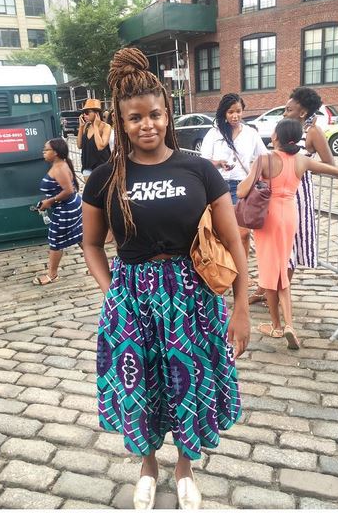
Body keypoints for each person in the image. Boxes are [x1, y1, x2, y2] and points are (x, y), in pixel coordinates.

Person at [82, 48, 250, 510]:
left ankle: (185, 468)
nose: (147, 125)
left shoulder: (197, 169)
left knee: (189, 383)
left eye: (154, 114)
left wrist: (240, 308)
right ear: (121, 122)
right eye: (135, 118)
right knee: (141, 387)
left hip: (192, 297)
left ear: (167, 113)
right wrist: (112, 292)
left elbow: (233, 242)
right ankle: (148, 466)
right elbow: (91, 244)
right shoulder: (104, 178)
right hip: (132, 299)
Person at [237, 119, 338, 348]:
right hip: (289, 216)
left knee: (269, 274)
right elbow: (331, 168)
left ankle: (277, 326)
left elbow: (241, 191)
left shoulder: (264, 159)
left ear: (276, 137)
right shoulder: (302, 160)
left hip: (268, 217)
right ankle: (289, 324)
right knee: (282, 270)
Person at [250, 86, 336, 305]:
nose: (284, 113)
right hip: (274, 195)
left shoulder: (313, 132)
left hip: (297, 197)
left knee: (291, 247)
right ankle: (264, 288)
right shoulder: (284, 130)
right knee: (272, 246)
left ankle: (280, 293)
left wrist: (305, 165)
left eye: (289, 110)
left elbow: (329, 163)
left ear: (303, 112)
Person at [200, 93, 268, 259]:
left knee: (243, 233)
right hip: (218, 187)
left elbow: (264, 157)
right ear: (224, 113)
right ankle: (226, 265)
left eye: (238, 111)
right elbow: (203, 161)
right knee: (222, 233)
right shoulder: (215, 133)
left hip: (242, 188)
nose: (235, 116)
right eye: (230, 112)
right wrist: (218, 163)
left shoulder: (250, 133)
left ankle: (242, 267)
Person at [33, 138, 82, 285]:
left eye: (46, 149)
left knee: (55, 240)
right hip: (70, 206)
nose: (43, 152)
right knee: (81, 237)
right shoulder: (60, 164)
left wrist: (49, 201)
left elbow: (68, 190)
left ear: (55, 152)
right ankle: (96, 267)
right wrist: (48, 201)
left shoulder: (59, 168)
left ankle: (52, 275)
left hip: (66, 209)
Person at [77, 98, 111, 182]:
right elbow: (79, 145)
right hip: (87, 164)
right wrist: (81, 127)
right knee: (90, 188)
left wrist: (96, 126)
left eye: (87, 112)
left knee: (101, 188)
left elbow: (100, 146)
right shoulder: (86, 126)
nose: (85, 115)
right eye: (83, 113)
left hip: (102, 165)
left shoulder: (106, 127)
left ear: (97, 113)